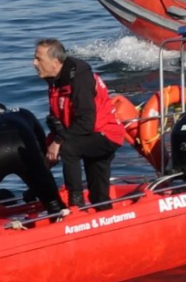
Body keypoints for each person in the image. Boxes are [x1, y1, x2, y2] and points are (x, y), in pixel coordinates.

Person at [33, 38, 128, 211]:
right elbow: (58, 119)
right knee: (98, 195)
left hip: (105, 134)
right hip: (85, 135)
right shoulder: (55, 81)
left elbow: (86, 122)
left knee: (68, 148)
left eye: (39, 59)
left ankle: (75, 204)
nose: (34, 63)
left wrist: (58, 142)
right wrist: (50, 146)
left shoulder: (79, 80)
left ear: (55, 63)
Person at [0, 102, 66, 216]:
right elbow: (44, 153)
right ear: (6, 110)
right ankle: (56, 212)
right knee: (52, 202)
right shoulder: (23, 112)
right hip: (22, 143)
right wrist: (36, 189)